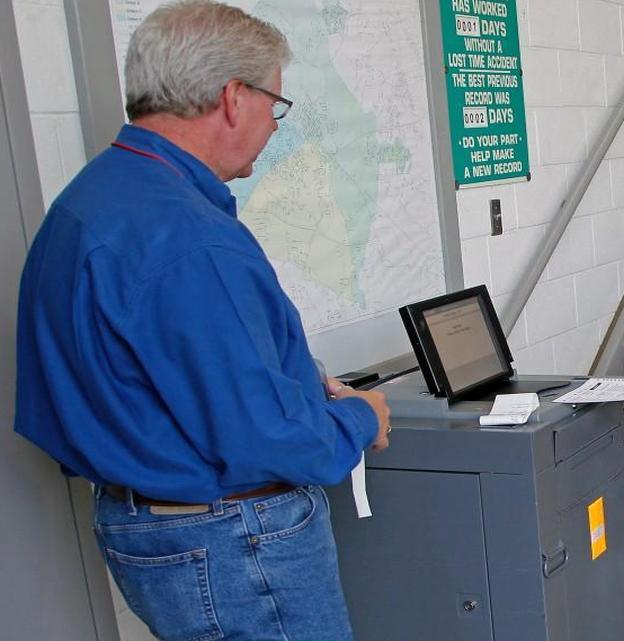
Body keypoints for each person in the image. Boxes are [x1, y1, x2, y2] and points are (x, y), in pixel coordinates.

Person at [14, 2, 389, 639]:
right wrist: (360, 417)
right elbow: (264, 435)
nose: (275, 126)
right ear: (233, 97)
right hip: (237, 542)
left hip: (142, 523)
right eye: (276, 103)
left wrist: (297, 381)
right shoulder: (190, 240)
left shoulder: (88, 202)